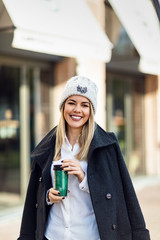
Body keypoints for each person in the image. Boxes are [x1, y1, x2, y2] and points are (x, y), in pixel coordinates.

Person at [17, 76, 150, 240]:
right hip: (53, 235)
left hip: (90, 235)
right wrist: (48, 197)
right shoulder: (47, 146)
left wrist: (84, 177)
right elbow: (32, 200)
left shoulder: (107, 146)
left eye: (84, 105)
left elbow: (125, 195)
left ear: (91, 110)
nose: (77, 110)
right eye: (71, 102)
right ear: (63, 106)